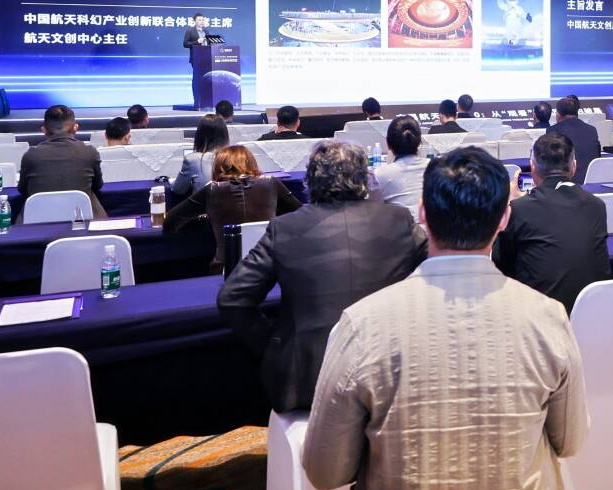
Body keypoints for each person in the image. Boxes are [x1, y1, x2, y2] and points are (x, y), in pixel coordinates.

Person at [301, 147, 587, 490]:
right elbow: (570, 442)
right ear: (504, 218)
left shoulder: (362, 325)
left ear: (422, 213)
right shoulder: (547, 317)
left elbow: (325, 472)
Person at [218, 141, 426, 414]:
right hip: (389, 372)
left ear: (310, 180)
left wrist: (273, 343)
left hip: (308, 381)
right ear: (364, 179)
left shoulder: (285, 227)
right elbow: (438, 272)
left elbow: (232, 298)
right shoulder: (399, 220)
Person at [496, 131, 609, 313]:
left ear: (533, 167)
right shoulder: (597, 206)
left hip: (539, 318)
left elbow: (500, 265)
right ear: (574, 167)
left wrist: (507, 205)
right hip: (593, 315)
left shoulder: (519, 209)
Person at [164, 145, 301, 271]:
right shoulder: (271, 183)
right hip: (270, 267)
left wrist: (204, 219)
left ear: (218, 167)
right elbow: (300, 214)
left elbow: (170, 222)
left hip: (226, 269)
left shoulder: (212, 189)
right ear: (251, 163)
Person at [18, 105, 107, 218]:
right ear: (75, 128)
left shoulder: (31, 155)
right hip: (83, 220)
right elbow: (97, 186)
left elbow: (22, 189)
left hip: (38, 221)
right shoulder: (90, 152)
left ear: (44, 130)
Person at [375, 115, 430, 215]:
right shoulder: (434, 167)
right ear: (419, 142)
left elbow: (373, 210)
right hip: (431, 224)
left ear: (388, 143)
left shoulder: (379, 174)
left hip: (397, 224)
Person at [173, 114, 230, 198]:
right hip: (231, 205)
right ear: (225, 135)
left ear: (199, 135)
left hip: (204, 206)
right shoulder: (236, 158)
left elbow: (178, 190)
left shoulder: (192, 160)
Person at [549, 96, 601, 184]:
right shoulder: (591, 130)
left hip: (564, 185)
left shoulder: (553, 131)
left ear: (558, 114)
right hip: (592, 183)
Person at [182, 13, 211, 108]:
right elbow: (185, 44)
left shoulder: (206, 31)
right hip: (196, 59)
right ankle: (197, 102)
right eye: (199, 20)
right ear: (194, 21)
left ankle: (205, 101)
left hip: (207, 59)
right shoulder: (190, 31)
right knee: (197, 80)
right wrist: (196, 42)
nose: (201, 21)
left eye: (202, 20)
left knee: (206, 79)